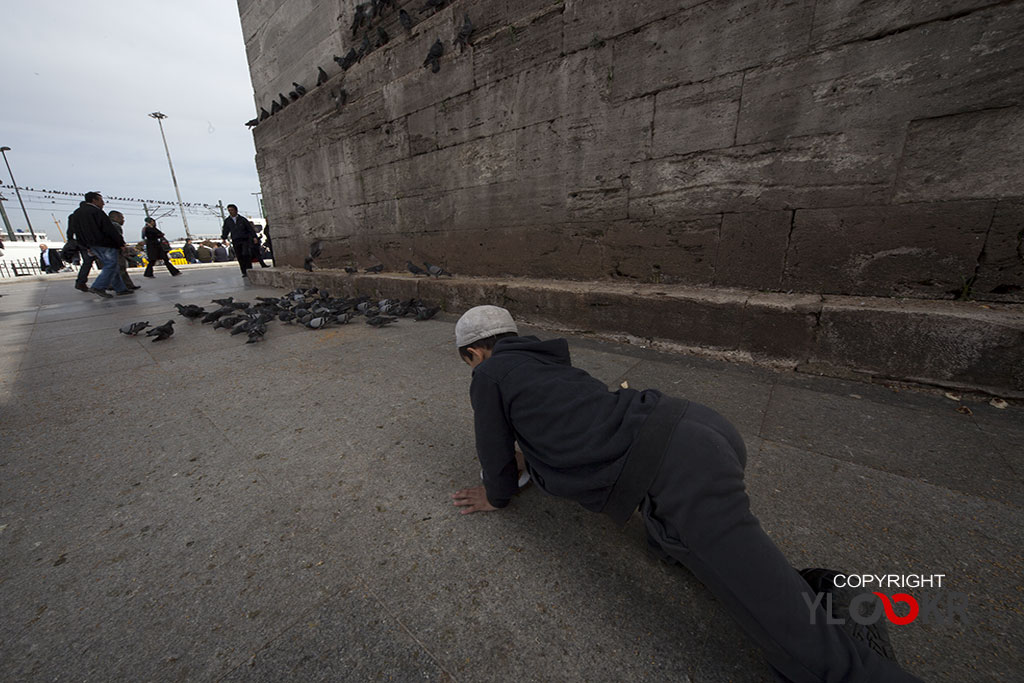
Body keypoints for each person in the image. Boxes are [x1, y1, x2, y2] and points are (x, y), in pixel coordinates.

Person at [449, 305, 923, 683]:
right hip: (692, 423)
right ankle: (795, 588)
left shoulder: (489, 376)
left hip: (677, 462)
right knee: (685, 546)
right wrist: (532, 455)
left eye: (467, 360)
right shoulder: (545, 360)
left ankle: (843, 645)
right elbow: (564, 418)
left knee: (774, 615)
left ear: (476, 352)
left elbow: (493, 447)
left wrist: (499, 494)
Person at [66, 191, 131, 298]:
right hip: (104, 243)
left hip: (89, 244)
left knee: (111, 266)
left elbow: (75, 231)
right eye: (101, 200)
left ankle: (120, 288)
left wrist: (85, 246)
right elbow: (109, 229)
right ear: (94, 200)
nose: (103, 203)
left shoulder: (76, 213)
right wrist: (120, 243)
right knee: (111, 265)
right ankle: (98, 286)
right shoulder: (97, 212)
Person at [66, 200, 99, 292]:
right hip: (93, 242)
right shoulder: (89, 215)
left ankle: (81, 282)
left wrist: (71, 241)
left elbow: (70, 231)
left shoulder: (73, 216)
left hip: (81, 243)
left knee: (87, 262)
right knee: (107, 262)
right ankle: (107, 283)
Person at [221, 204, 257, 277]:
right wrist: (224, 238)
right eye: (229, 211)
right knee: (239, 255)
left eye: (232, 210)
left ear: (236, 210)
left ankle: (249, 269)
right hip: (235, 240)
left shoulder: (242, 219)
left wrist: (254, 237)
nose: (230, 212)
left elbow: (250, 229)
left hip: (244, 239)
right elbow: (225, 230)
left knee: (245, 254)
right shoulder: (228, 221)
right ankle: (244, 272)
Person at [107, 211, 140, 290]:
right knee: (121, 267)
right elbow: (118, 238)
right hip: (116, 249)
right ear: (116, 218)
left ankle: (113, 284)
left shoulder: (106, 225)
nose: (123, 220)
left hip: (107, 250)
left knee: (113, 268)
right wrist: (122, 246)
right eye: (122, 218)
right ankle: (126, 285)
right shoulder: (116, 225)